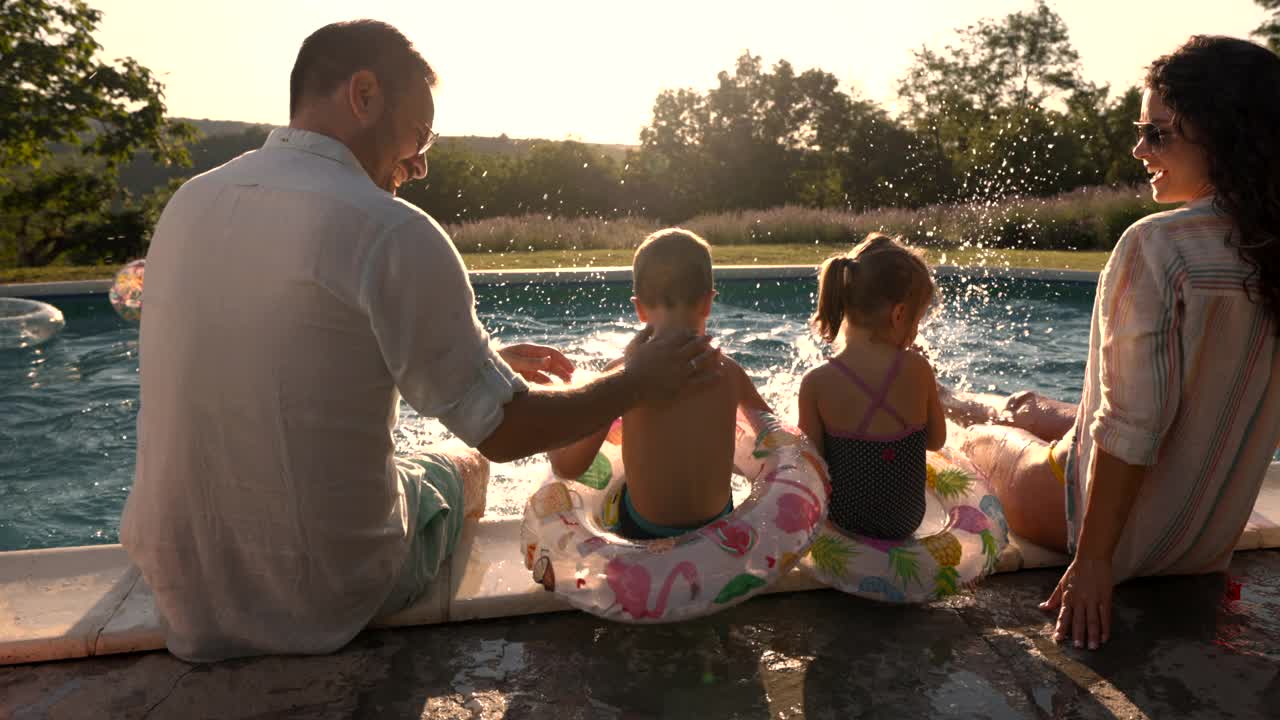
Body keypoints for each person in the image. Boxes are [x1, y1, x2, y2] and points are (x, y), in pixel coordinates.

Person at [120, 20, 718, 662]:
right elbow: (508, 433)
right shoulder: (390, 228)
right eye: (421, 133)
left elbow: (305, 360)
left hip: (180, 590)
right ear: (366, 94)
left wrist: (480, 365)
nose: (421, 162)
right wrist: (635, 381)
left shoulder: (191, 201)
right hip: (325, 596)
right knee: (464, 466)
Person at [953, 35, 1280, 651]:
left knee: (982, 438)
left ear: (1223, 134)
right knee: (1039, 409)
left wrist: (1096, 561)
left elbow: (1131, 425)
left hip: (1102, 529)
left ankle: (959, 409)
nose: (1138, 149)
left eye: (1157, 133)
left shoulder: (1158, 245)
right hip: (1204, 543)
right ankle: (1007, 405)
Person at [548, 229, 771, 539]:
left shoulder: (625, 377)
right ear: (708, 303)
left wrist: (555, 419)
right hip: (719, 527)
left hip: (643, 532)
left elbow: (569, 467)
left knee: (615, 493)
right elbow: (775, 439)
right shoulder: (730, 372)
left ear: (639, 309)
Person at [796, 234, 946, 539]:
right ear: (899, 314)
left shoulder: (816, 382)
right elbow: (936, 440)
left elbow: (811, 466)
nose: (916, 331)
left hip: (844, 522)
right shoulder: (917, 368)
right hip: (906, 521)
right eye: (917, 320)